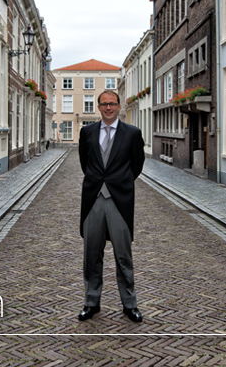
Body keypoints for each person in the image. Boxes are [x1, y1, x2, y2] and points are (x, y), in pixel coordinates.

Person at [77, 90, 145, 323]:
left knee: (123, 255)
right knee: (91, 255)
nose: (108, 108)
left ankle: (129, 304)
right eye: (104, 104)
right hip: (93, 200)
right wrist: (99, 183)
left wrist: (119, 183)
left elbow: (137, 165)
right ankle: (91, 302)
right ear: (98, 107)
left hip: (120, 201)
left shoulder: (133, 134)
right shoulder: (87, 132)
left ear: (119, 106)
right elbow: (85, 163)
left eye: (112, 104)